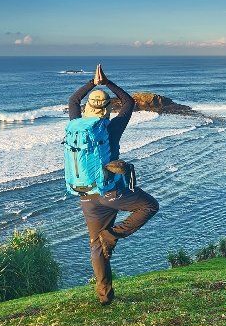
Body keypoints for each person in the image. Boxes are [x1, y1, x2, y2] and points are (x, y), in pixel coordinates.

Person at [68, 64, 159, 305]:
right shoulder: (111, 128)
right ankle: (112, 235)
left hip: (86, 196)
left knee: (94, 245)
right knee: (149, 206)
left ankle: (104, 297)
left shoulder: (76, 125)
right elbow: (128, 102)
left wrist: (91, 83)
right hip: (111, 192)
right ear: (107, 110)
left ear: (87, 108)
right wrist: (106, 83)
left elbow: (72, 101)